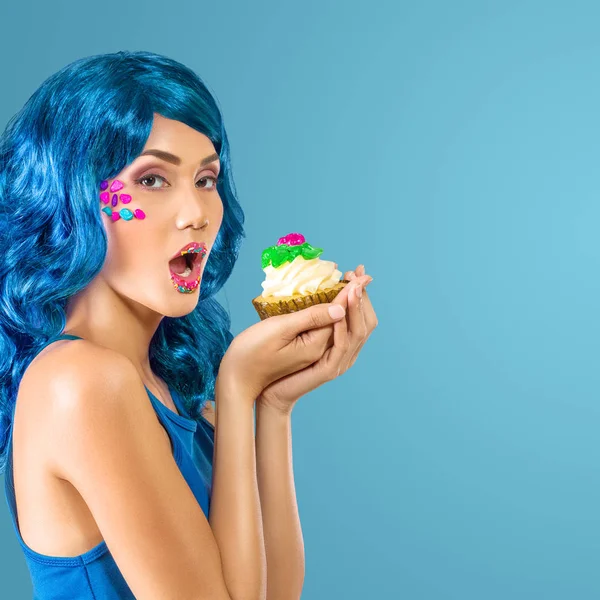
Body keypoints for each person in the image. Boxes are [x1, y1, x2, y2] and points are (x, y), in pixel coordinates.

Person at [0, 50, 377, 599]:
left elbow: (275, 594)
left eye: (205, 178)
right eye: (152, 179)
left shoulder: (176, 384)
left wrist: (272, 406)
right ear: (74, 195)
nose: (197, 212)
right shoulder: (78, 383)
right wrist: (238, 384)